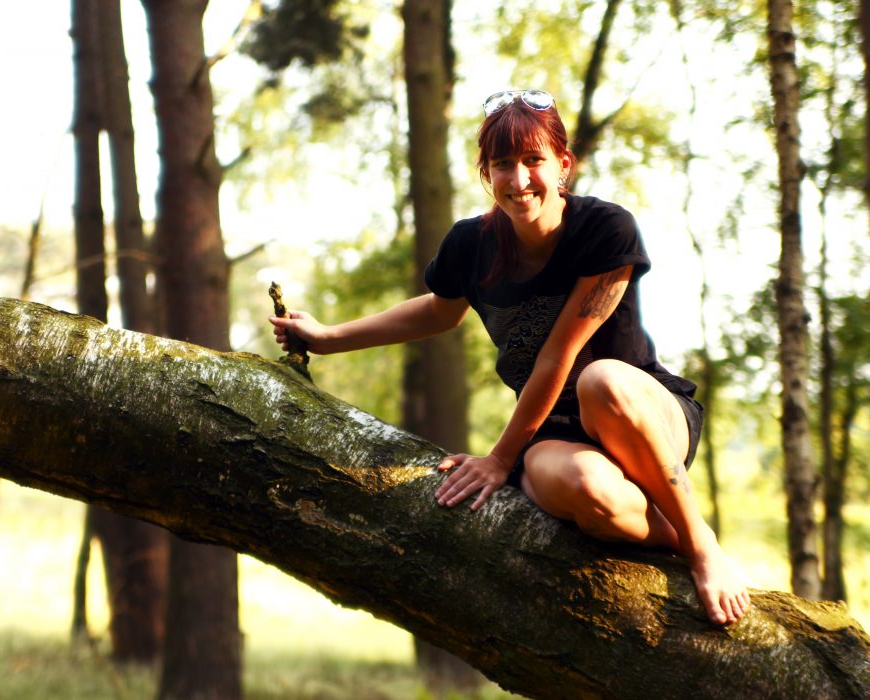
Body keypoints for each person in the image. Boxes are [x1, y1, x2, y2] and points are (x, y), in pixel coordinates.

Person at [269, 89, 750, 625]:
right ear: (486, 172)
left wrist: (499, 459)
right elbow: (437, 312)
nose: (518, 179)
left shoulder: (605, 230)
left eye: (533, 160)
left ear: (562, 164)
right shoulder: (470, 245)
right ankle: (671, 534)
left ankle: (702, 543)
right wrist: (328, 337)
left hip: (642, 414)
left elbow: (556, 359)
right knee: (590, 493)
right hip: (553, 433)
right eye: (502, 164)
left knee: (600, 382)